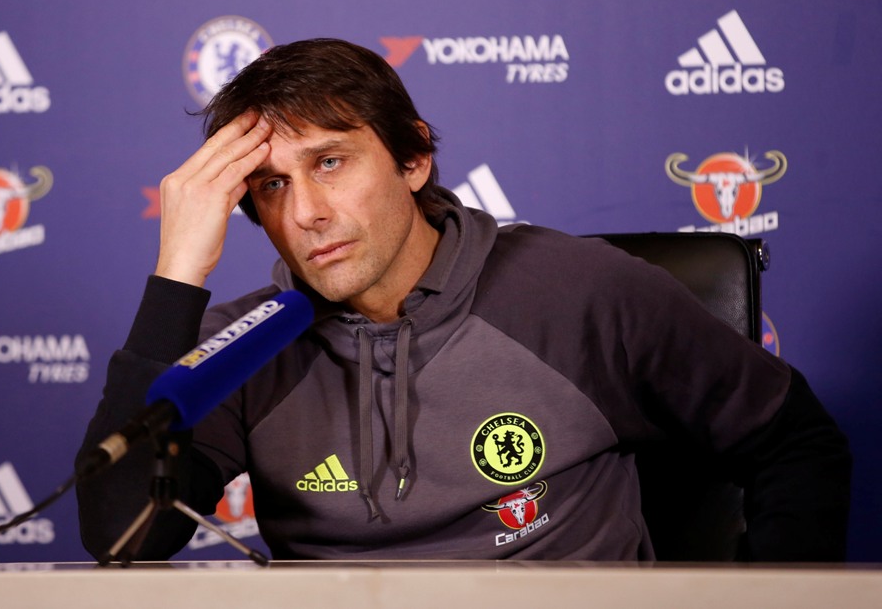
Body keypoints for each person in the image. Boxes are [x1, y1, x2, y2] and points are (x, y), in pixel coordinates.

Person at [76, 38, 851, 562]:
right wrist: (178, 275)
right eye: (271, 185)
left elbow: (795, 443)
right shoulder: (243, 343)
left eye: (331, 162)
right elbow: (120, 535)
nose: (304, 212)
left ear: (413, 158)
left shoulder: (579, 290)